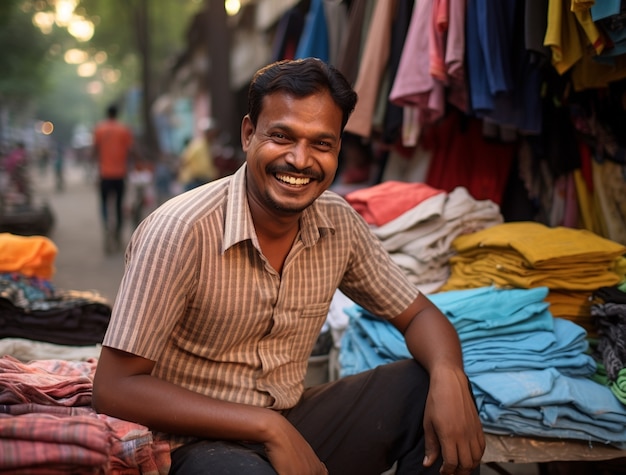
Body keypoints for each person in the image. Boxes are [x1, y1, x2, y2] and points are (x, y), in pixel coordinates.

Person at [92, 58, 484, 475]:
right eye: (282, 136)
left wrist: (448, 372)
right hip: (192, 445)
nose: (300, 160)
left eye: (321, 143)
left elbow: (420, 313)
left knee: (431, 389)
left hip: (289, 421)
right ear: (248, 134)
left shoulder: (337, 221)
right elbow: (115, 388)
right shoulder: (181, 230)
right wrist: (266, 426)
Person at [92, 104, 134, 253]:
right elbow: (130, 151)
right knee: (118, 205)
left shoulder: (99, 129)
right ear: (117, 114)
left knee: (104, 204)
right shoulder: (124, 129)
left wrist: (94, 168)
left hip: (104, 174)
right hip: (120, 174)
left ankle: (106, 229)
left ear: (107, 113)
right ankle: (117, 233)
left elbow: (94, 151)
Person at [177, 117, 219, 191]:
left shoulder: (209, 146)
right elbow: (184, 160)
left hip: (204, 181)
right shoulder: (197, 145)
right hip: (194, 181)